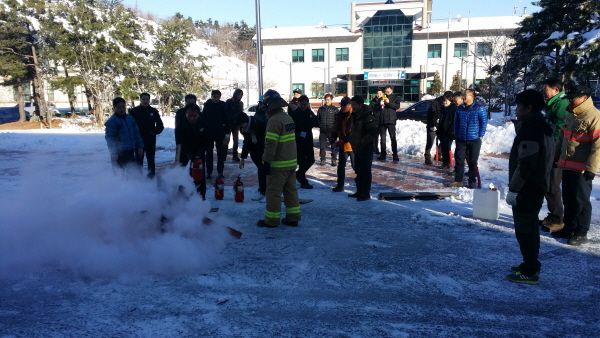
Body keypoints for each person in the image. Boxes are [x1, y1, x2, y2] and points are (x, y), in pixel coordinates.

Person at [505, 89, 555, 285]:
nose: (516, 110)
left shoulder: (532, 130)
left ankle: (530, 269)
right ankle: (529, 262)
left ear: (529, 108)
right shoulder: (540, 126)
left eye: (519, 106)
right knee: (529, 228)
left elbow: (526, 165)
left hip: (528, 188)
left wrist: (514, 190)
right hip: (536, 185)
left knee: (525, 230)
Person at [551, 84, 600, 246]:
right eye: (570, 97)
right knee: (569, 199)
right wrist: (556, 156)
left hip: (582, 169)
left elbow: (597, 146)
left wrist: (591, 169)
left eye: (574, 97)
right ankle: (569, 227)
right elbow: (561, 139)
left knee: (581, 202)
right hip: (567, 165)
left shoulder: (594, 116)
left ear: (585, 97)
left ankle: (581, 232)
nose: (571, 100)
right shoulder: (571, 115)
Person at [258, 89, 301, 228]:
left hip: (278, 164)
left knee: (273, 193)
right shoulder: (287, 117)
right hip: (290, 163)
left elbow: (271, 144)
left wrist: (266, 161)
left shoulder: (273, 121)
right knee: (290, 191)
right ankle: (293, 218)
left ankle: (272, 220)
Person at [539, 78, 569, 232]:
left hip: (556, 152)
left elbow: (559, 131)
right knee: (547, 183)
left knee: (552, 184)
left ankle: (558, 218)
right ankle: (552, 215)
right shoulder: (553, 104)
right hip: (550, 149)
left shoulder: (562, 105)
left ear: (556, 90)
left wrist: (555, 152)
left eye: (547, 89)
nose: (545, 91)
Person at [448, 89, 487, 188]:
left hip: (474, 139)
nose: (463, 97)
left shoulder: (479, 108)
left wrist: (480, 135)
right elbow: (456, 122)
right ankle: (458, 180)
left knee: (472, 161)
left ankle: (472, 180)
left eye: (465, 95)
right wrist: (457, 134)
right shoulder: (460, 108)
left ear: (472, 96)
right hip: (461, 138)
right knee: (459, 159)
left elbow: (483, 123)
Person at [175, 103, 208, 199]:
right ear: (186, 114)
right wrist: (188, 153)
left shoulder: (203, 124)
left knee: (200, 177)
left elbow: (206, 140)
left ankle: (201, 199)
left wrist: (199, 152)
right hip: (185, 155)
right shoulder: (181, 125)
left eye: (194, 116)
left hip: (199, 155)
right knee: (184, 178)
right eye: (190, 116)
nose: (192, 118)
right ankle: (182, 200)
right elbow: (180, 142)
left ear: (198, 114)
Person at [348, 96, 378, 201]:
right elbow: (354, 131)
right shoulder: (355, 115)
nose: (352, 107)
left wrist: (362, 142)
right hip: (357, 148)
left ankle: (366, 193)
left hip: (366, 148)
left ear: (360, 105)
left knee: (365, 171)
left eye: (354, 105)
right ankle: (359, 191)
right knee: (359, 170)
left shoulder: (367, 116)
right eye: (352, 104)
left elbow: (373, 132)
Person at [129, 93, 164, 177]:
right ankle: (138, 178)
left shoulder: (153, 111)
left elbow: (160, 125)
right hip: (139, 140)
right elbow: (130, 125)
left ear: (149, 100)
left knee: (151, 160)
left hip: (150, 140)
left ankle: (151, 177)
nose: (145, 101)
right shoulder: (134, 111)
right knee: (138, 160)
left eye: (147, 99)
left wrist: (155, 132)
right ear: (140, 100)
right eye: (143, 99)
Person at [234, 112, 267, 201]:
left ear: (245, 121)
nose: (241, 127)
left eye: (241, 124)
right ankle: (264, 189)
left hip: (264, 152)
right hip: (255, 153)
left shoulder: (258, 124)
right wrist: (242, 158)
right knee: (263, 172)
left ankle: (263, 191)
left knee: (262, 171)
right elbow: (246, 143)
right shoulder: (247, 128)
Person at [104, 97, 144, 171]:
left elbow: (136, 133)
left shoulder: (130, 118)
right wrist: (114, 152)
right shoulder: (112, 121)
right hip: (118, 153)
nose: (122, 109)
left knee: (131, 172)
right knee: (119, 174)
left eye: (123, 107)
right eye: (119, 107)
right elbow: (109, 138)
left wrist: (140, 146)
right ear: (114, 108)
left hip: (130, 150)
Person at [289, 95, 318, 189]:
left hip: (308, 140)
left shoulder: (309, 112)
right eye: (302, 104)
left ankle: (299, 174)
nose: (303, 106)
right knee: (302, 162)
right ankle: (303, 181)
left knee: (311, 160)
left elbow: (316, 121)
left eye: (305, 104)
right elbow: (292, 128)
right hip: (299, 141)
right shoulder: (295, 114)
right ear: (299, 104)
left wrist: (311, 124)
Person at [202, 90, 229, 179]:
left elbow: (226, 120)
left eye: (218, 96)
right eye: (214, 96)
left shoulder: (223, 106)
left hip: (219, 133)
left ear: (220, 97)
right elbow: (202, 118)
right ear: (212, 96)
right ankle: (209, 171)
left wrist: (227, 133)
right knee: (209, 154)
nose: (216, 98)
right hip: (209, 133)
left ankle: (220, 171)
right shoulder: (207, 105)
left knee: (220, 154)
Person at [330, 96, 355, 192]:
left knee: (355, 166)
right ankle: (340, 185)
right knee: (341, 166)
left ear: (350, 105)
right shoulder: (339, 115)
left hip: (352, 145)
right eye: (342, 105)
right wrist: (333, 137)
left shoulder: (354, 115)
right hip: (342, 145)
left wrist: (344, 140)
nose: (343, 107)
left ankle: (361, 185)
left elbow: (352, 132)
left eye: (345, 105)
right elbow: (335, 128)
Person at [426, 91, 454, 165]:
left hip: (441, 126)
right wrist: (432, 125)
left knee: (443, 142)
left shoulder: (451, 106)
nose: (446, 102)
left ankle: (439, 154)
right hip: (432, 126)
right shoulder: (435, 103)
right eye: (445, 99)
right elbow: (431, 115)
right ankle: (427, 157)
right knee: (430, 141)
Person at [436, 92, 459, 169]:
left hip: (449, 132)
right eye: (444, 100)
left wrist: (451, 131)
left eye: (447, 100)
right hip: (442, 131)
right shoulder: (443, 108)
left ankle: (448, 163)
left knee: (447, 148)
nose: (445, 102)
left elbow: (454, 122)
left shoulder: (453, 108)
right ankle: (445, 163)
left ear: (451, 100)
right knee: (443, 148)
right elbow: (440, 119)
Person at [377, 85, 400, 162]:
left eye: (389, 91)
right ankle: (383, 153)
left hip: (391, 120)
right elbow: (377, 108)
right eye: (386, 91)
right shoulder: (382, 97)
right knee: (382, 139)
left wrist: (389, 102)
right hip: (382, 121)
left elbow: (397, 106)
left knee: (393, 138)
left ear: (392, 91)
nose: (387, 93)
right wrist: (379, 103)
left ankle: (395, 154)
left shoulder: (395, 98)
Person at [174, 94, 198, 165]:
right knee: (181, 161)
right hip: (183, 140)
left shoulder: (198, 113)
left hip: (195, 141)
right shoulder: (180, 113)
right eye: (188, 103)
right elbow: (177, 127)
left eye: (192, 103)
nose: (190, 105)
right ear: (185, 102)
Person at [316, 93, 339, 166]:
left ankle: (334, 159)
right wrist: (319, 125)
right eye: (326, 100)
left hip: (332, 131)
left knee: (334, 146)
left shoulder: (335, 109)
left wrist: (335, 129)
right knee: (322, 147)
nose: (327, 101)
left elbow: (337, 120)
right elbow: (318, 119)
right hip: (323, 131)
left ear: (331, 100)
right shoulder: (321, 109)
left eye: (328, 100)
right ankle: (322, 159)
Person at [225, 89, 244, 162]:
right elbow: (225, 112)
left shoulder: (241, 103)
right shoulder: (229, 101)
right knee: (226, 140)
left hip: (236, 125)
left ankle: (235, 156)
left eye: (241, 94)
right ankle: (223, 156)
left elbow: (241, 113)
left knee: (236, 141)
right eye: (238, 94)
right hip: (228, 124)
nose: (239, 96)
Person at [369, 89, 384, 155]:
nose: (379, 95)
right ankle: (375, 149)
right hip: (376, 120)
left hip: (383, 120)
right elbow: (370, 110)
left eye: (380, 93)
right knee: (375, 136)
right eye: (378, 93)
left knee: (383, 137)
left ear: (382, 94)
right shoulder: (373, 101)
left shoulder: (384, 100)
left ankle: (383, 150)